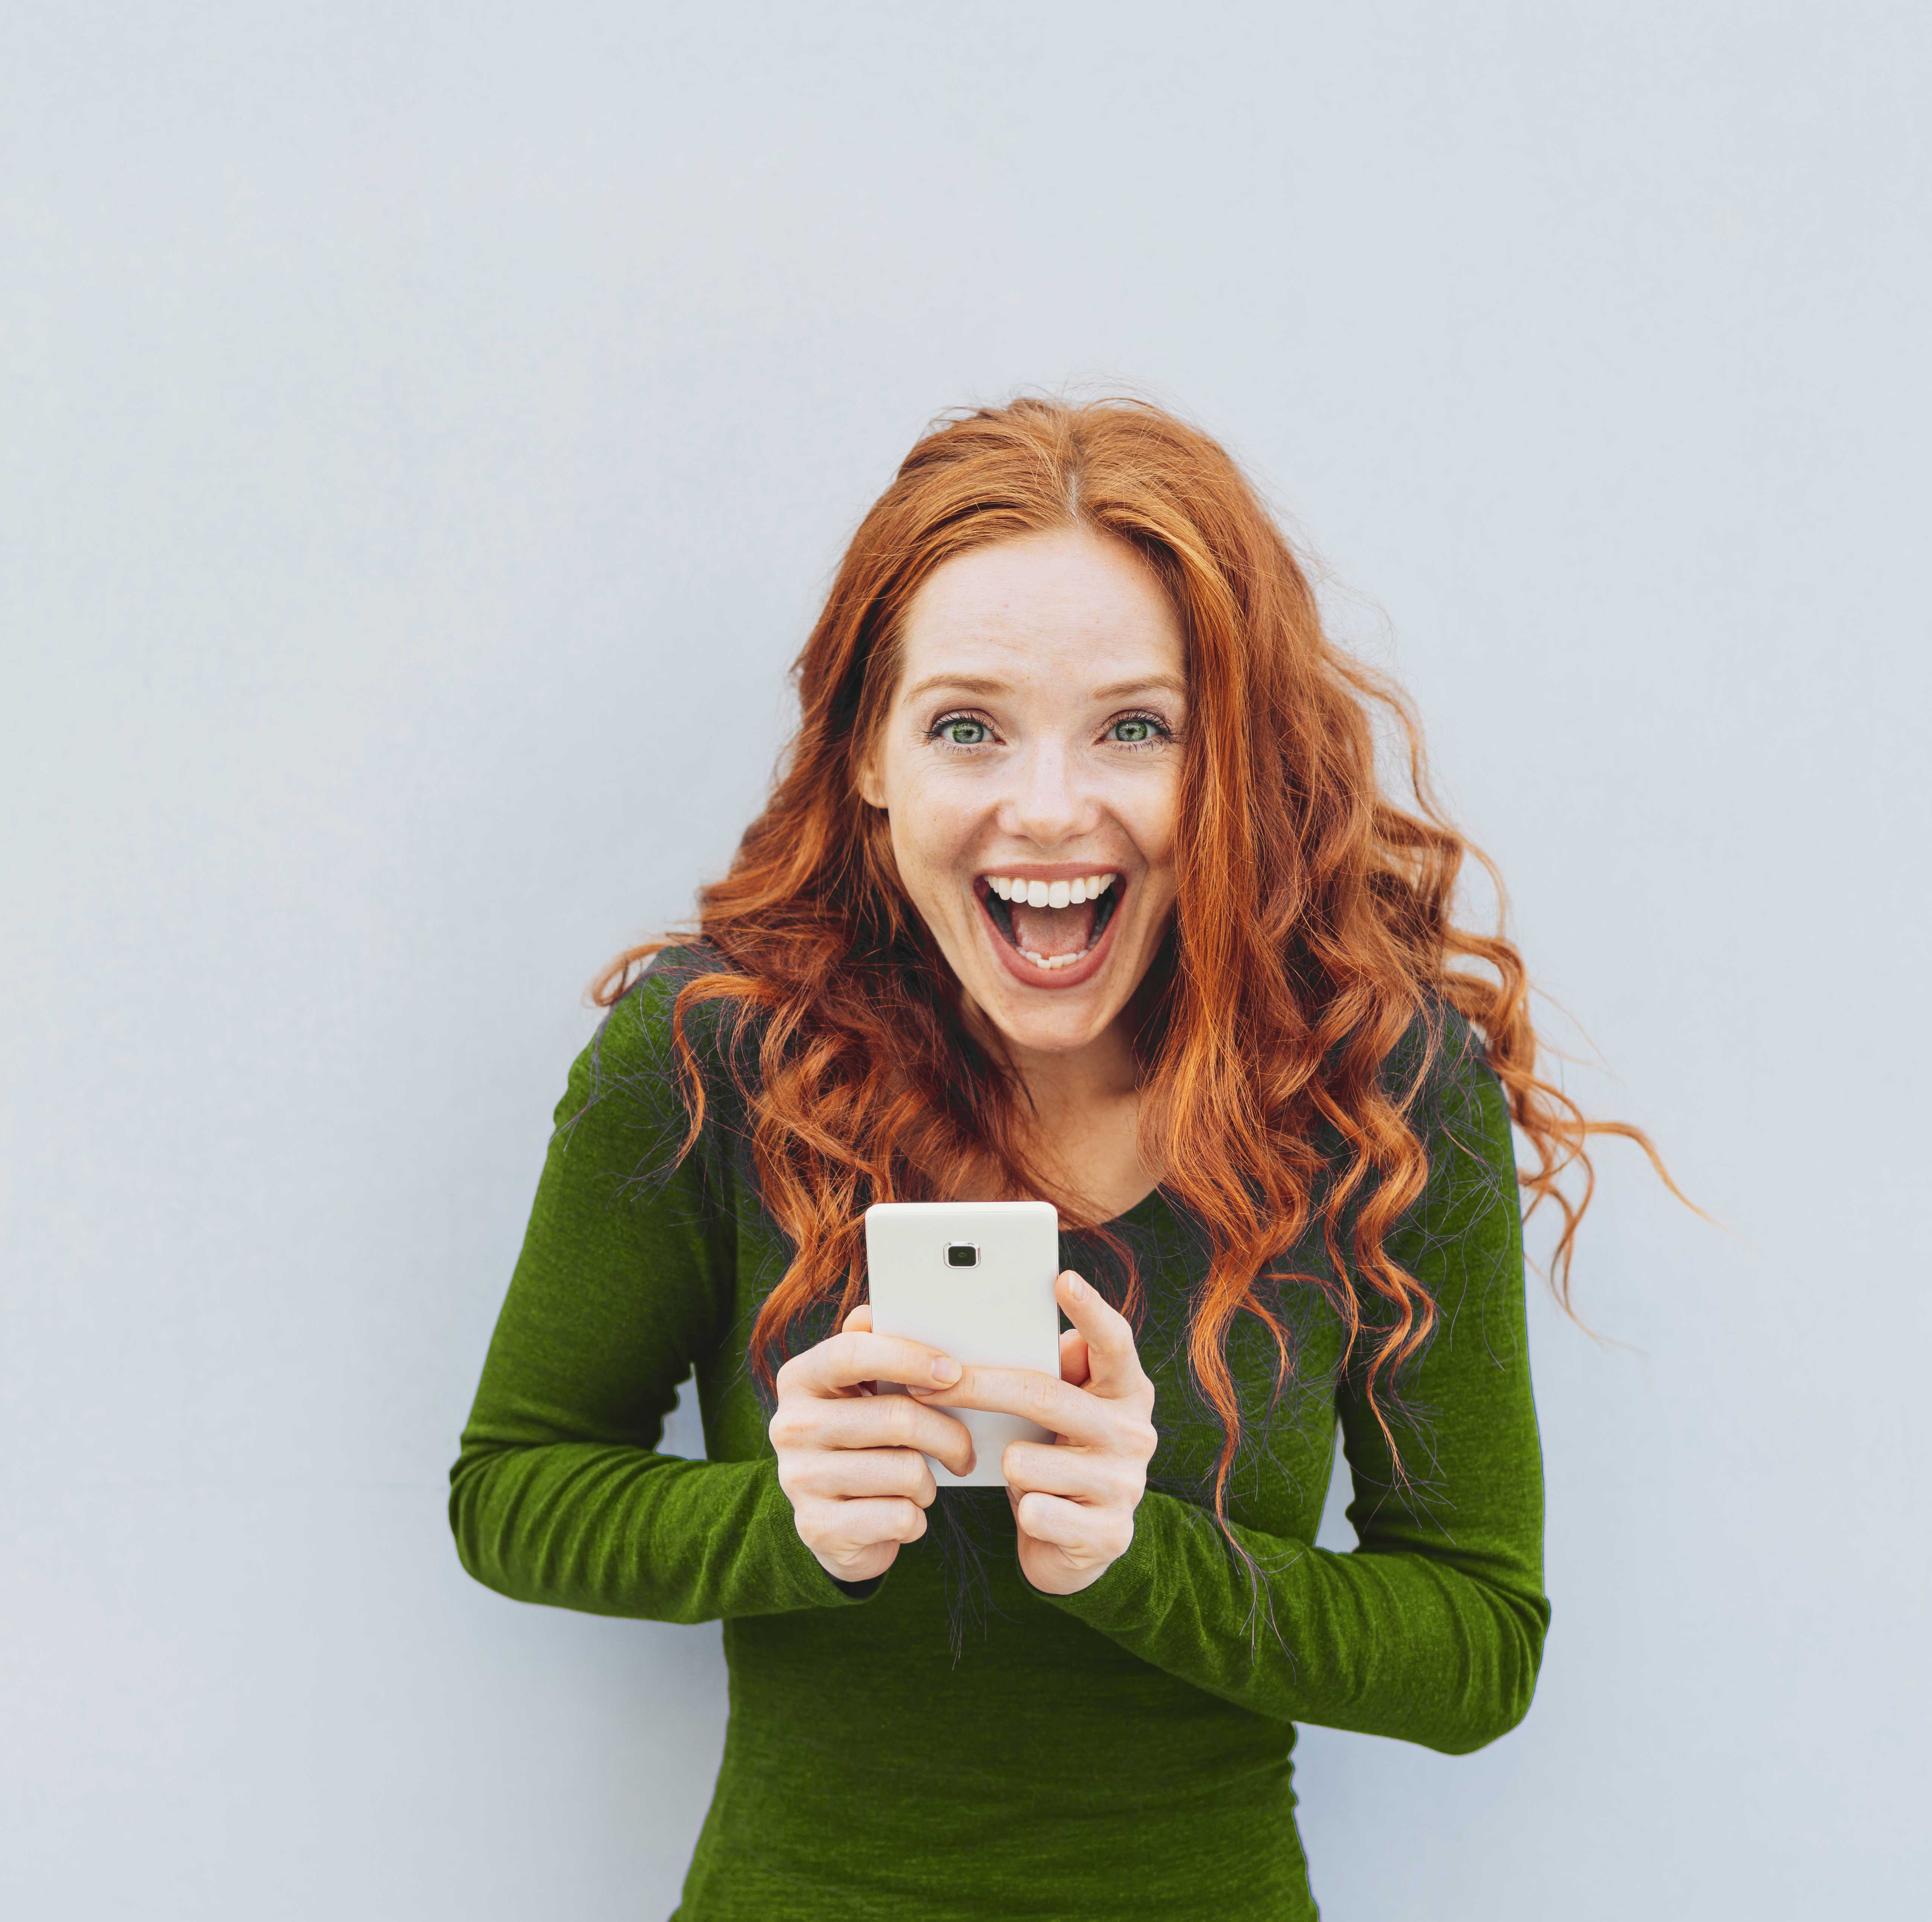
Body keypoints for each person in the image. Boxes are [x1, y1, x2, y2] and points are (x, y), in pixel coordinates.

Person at [446, 397, 1671, 1919]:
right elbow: (510, 1493)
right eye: (965, 725)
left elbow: (1475, 1651)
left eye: (1134, 728)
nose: (1044, 808)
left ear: (1231, 758)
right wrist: (783, 1520)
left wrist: (1142, 1557)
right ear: (867, 758)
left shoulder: (1385, 1089)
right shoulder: (714, 1056)